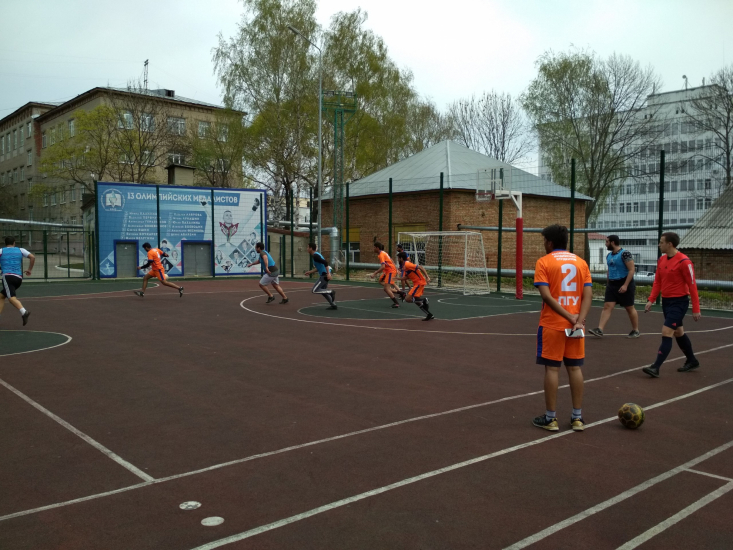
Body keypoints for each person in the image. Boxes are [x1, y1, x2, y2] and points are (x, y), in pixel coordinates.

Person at [532, 225, 593, 432]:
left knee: (552, 369)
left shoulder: (544, 262)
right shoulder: (581, 262)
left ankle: (551, 418)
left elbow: (546, 296)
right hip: (576, 326)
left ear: (549, 242)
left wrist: (567, 316)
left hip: (553, 324)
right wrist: (578, 320)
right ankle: (577, 418)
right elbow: (588, 295)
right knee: (575, 368)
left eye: (544, 241)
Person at [642, 232, 701, 378]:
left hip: (679, 302)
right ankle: (692, 360)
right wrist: (651, 299)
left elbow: (692, 285)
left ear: (670, 244)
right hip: (666, 302)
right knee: (678, 332)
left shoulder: (684, 262)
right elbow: (658, 281)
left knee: (666, 332)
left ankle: (655, 367)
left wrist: (696, 308)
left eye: (661, 242)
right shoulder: (661, 260)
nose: (659, 245)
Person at [588, 235, 640, 338]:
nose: (605, 244)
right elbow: (609, 270)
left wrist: (625, 285)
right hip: (612, 285)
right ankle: (600, 329)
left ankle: (635, 330)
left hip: (624, 283)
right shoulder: (609, 255)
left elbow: (631, 270)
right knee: (607, 306)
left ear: (612, 242)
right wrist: (608, 284)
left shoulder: (625, 254)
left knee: (629, 307)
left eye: (607, 242)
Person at [0, 236, 34, 326]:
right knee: (1, 296)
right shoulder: (21, 250)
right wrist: (29, 270)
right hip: (18, 278)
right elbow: (32, 257)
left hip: (8, 277)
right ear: (14, 243)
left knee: (11, 298)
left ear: (5, 243)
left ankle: (24, 312)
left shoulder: (1, 251)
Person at [396, 252, 434, 321]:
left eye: (398, 258)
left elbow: (420, 267)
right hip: (417, 283)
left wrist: (427, 277)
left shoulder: (407, 264)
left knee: (407, 299)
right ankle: (429, 314)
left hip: (419, 283)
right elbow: (407, 277)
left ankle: (424, 300)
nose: (397, 260)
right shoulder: (405, 266)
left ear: (401, 258)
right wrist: (398, 278)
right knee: (417, 301)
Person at [369, 242, 405, 307]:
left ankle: (396, 303)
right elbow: (391, 260)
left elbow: (383, 267)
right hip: (388, 271)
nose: (373, 249)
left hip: (390, 271)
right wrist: (396, 269)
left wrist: (375, 273)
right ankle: (401, 293)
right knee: (381, 282)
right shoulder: (383, 253)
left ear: (377, 248)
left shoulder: (381, 255)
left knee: (386, 289)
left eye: (374, 247)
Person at [305, 242, 337, 309]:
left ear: (311, 248)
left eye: (308, 247)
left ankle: (331, 292)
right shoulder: (316, 255)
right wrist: (310, 272)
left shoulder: (315, 256)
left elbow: (325, 262)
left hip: (324, 275)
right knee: (323, 291)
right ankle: (333, 305)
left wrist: (328, 274)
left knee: (314, 290)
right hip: (325, 273)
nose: (307, 249)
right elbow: (319, 267)